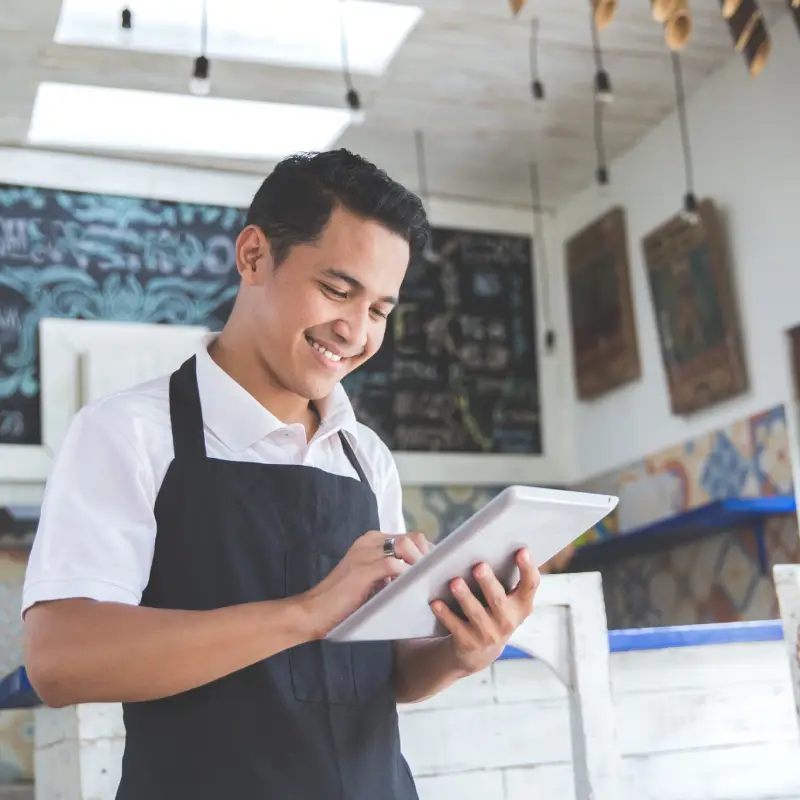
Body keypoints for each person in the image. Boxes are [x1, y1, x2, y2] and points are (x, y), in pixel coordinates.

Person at [21, 149, 540, 799]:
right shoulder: (126, 434)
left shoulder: (366, 457)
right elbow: (60, 661)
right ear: (254, 256)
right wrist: (304, 614)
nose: (354, 332)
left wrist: (465, 649)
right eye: (336, 290)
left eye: (380, 309)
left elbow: (386, 673)